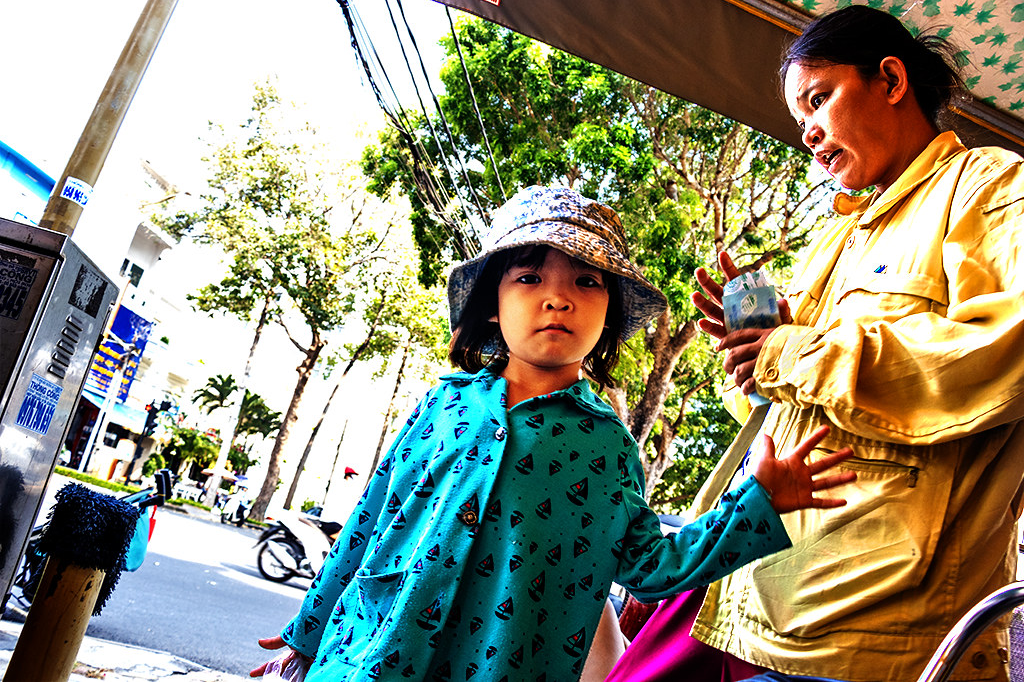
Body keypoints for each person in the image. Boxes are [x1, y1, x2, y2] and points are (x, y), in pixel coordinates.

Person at [249, 185, 856, 681]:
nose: (558, 300)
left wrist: (759, 503)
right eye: (530, 278)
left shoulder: (606, 446)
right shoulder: (442, 404)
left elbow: (650, 565)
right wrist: (307, 633)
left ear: (609, 316)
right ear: (492, 303)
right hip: (368, 658)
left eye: (586, 283)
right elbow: (371, 519)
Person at [606, 5, 1024, 682]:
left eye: (819, 98)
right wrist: (752, 354)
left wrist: (790, 351)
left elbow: (1005, 352)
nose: (807, 132)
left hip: (888, 635)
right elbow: (792, 411)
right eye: (800, 118)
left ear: (890, 79)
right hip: (772, 609)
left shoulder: (991, 187)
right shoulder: (832, 242)